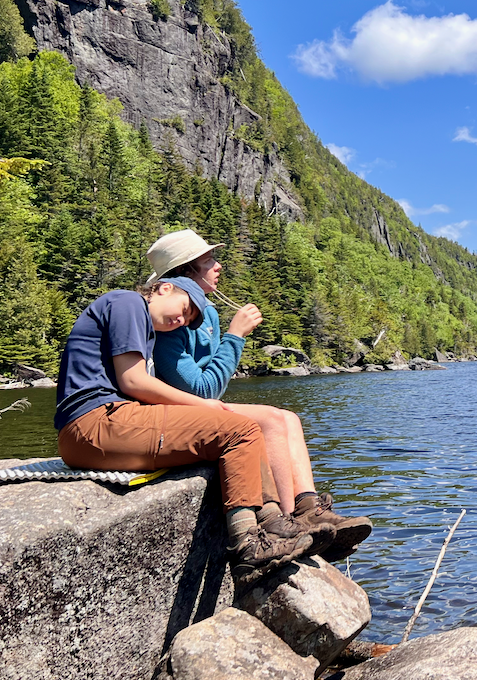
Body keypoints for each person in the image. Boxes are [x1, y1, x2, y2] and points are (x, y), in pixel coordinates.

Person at [54, 277, 314, 585]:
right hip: (95, 422)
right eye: (185, 308)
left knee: (244, 427)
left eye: (188, 319)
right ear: (164, 288)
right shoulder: (127, 303)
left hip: (102, 427)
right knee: (239, 431)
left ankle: (272, 523)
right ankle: (248, 548)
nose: (181, 319)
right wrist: (202, 405)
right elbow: (133, 382)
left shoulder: (144, 329)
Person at [145, 229, 372, 562]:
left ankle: (310, 508)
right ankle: (287, 522)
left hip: (198, 407)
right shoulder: (172, 323)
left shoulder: (205, 312)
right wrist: (235, 336)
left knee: (289, 418)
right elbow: (201, 389)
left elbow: (211, 386)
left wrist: (230, 335)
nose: (218, 266)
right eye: (209, 261)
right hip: (180, 411)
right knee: (271, 421)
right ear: (185, 273)